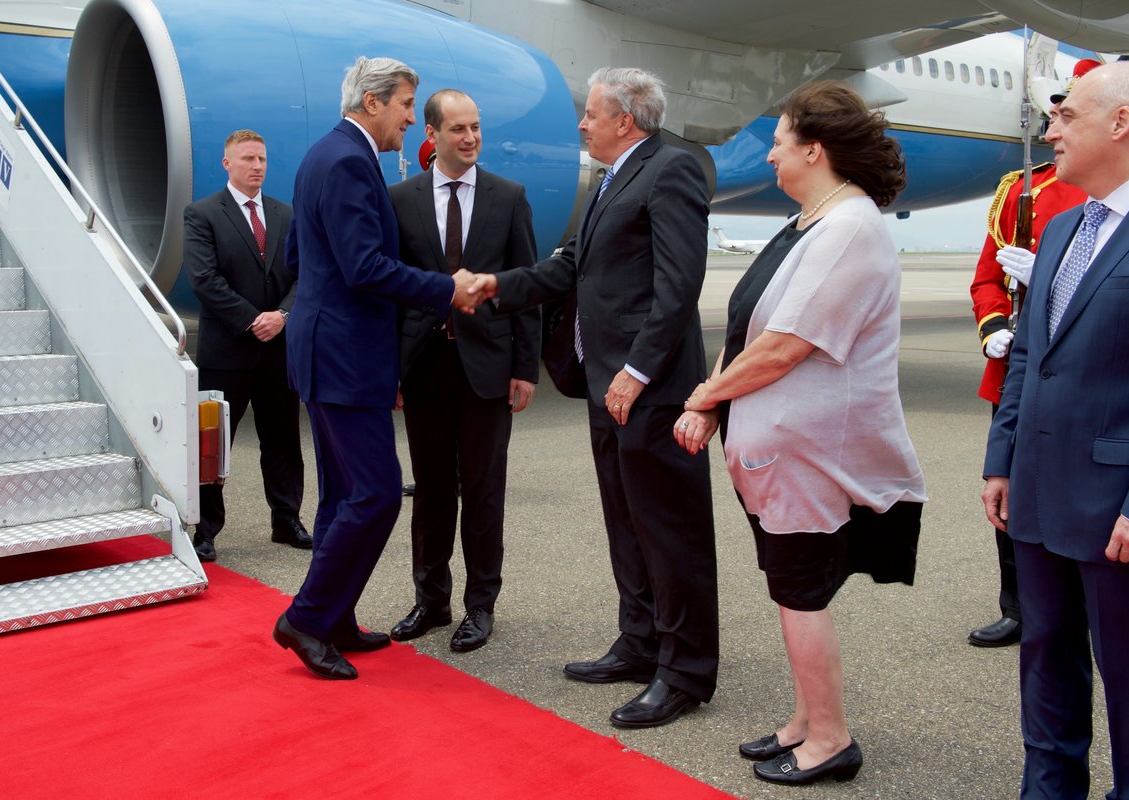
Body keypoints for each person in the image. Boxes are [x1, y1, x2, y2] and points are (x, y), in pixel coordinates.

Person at [674, 80, 927, 786]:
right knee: (790, 592)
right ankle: (805, 721)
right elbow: (750, 323)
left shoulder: (848, 227)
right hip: (778, 452)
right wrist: (713, 405)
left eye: (780, 144)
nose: (772, 158)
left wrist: (702, 396)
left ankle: (831, 740)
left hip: (812, 456)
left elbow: (786, 345)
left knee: (800, 593)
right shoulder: (812, 222)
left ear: (814, 151)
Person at [469, 67, 718, 728]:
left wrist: (638, 369)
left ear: (626, 120)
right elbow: (567, 267)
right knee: (627, 524)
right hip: (606, 383)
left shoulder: (671, 170)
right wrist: (496, 285)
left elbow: (677, 285)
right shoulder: (615, 178)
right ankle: (640, 643)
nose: (581, 123)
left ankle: (686, 670)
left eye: (591, 113)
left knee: (670, 532)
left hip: (649, 388)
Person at [982, 61, 1129, 799]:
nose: (1050, 129)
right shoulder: (1059, 227)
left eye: (1067, 116)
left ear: (1121, 122)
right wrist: (1003, 459)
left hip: (1125, 508)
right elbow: (1029, 354)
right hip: (1038, 495)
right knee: (1044, 663)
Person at [273, 56, 483, 680]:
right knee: (376, 493)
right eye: (404, 106)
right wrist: (447, 288)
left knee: (344, 496)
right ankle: (306, 619)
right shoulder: (345, 160)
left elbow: (297, 252)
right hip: (342, 355)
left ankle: (333, 616)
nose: (410, 119)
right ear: (372, 103)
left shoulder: (329, 155)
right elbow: (364, 267)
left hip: (334, 348)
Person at [388, 89, 540, 652]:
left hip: (488, 367)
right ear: (432, 134)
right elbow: (390, 292)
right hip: (423, 366)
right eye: (458, 129)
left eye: (475, 127)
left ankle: (480, 605)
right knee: (430, 490)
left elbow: (525, 286)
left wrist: (524, 366)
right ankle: (431, 600)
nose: (471, 138)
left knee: (482, 490)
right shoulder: (400, 199)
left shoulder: (508, 197)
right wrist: (391, 371)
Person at [966, 63, 1093, 648]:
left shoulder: (1109, 191)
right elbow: (988, 277)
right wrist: (993, 327)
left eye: (1065, 115)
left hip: (1089, 368)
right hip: (1017, 366)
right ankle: (1019, 604)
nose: (1051, 129)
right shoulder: (1022, 189)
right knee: (1010, 489)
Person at [183, 129, 309, 563]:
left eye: (262, 159)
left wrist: (283, 317)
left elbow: (303, 275)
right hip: (227, 354)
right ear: (227, 164)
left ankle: (286, 520)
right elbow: (204, 279)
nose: (257, 166)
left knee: (283, 441)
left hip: (278, 350)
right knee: (212, 445)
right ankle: (205, 530)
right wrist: (251, 320)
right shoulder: (202, 215)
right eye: (248, 158)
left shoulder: (285, 215)